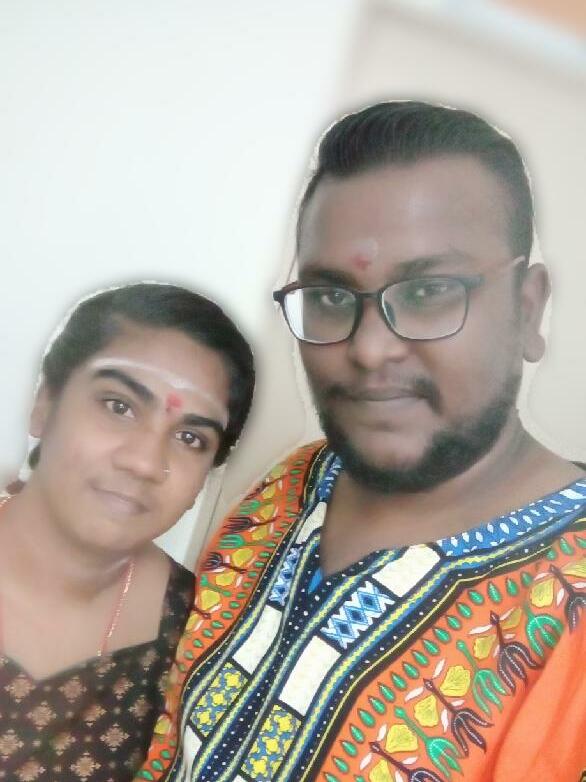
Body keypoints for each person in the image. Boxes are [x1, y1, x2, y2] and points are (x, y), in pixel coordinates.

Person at [136, 102, 586, 782]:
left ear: (527, 308)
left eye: (430, 291)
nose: (370, 350)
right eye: (329, 295)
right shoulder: (290, 487)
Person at [0, 282, 254, 781]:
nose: (144, 461)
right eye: (119, 406)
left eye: (190, 437)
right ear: (45, 403)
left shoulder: (201, 640)